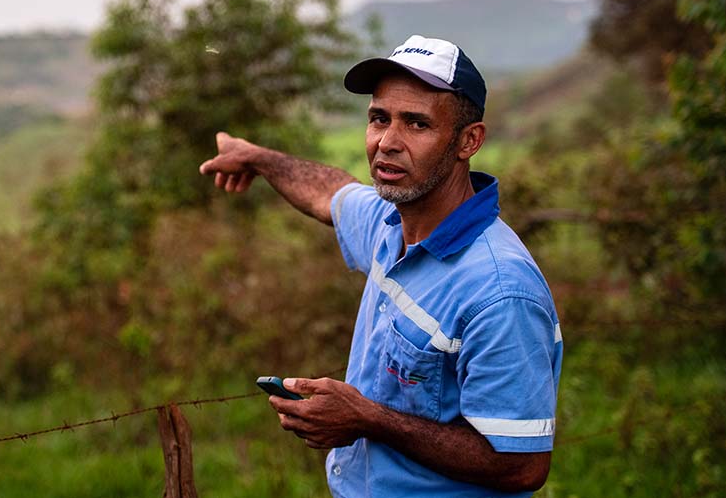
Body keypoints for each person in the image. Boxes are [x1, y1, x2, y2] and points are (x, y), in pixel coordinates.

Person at [199, 35, 562, 496]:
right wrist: (256, 158)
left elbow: (522, 466)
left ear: (468, 141)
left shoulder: (499, 291)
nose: (387, 143)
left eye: (417, 124)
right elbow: (330, 192)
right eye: (379, 119)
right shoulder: (391, 224)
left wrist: (368, 419)